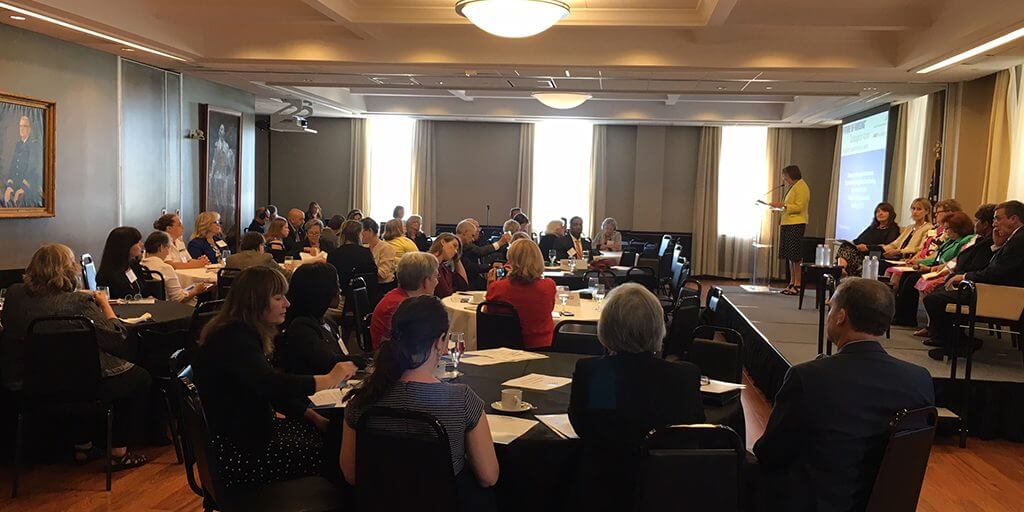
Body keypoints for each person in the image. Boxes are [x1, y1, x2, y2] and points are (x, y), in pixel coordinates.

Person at [754, 278, 934, 512]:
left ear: (841, 317)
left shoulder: (808, 377)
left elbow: (770, 453)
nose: (829, 315)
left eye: (830, 309)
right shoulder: (919, 379)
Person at [194, 266, 356, 488]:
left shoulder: (235, 331)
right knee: (335, 452)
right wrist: (327, 380)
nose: (287, 304)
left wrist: (312, 417)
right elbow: (270, 384)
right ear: (255, 302)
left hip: (244, 437)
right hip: (241, 455)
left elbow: (263, 387)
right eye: (279, 297)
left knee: (331, 435)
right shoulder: (235, 339)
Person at [0, 244, 150, 470]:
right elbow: (116, 337)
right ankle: (117, 452)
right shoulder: (79, 303)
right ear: (68, 270)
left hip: (30, 379)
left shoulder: (14, 294)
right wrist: (104, 304)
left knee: (72, 381)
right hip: (81, 381)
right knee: (139, 378)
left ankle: (84, 444)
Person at [341, 296, 499, 500]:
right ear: (440, 342)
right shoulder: (462, 400)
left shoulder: (362, 399)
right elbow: (489, 476)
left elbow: (351, 475)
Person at [568, 283, 704, 512]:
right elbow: (694, 430)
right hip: (670, 490)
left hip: (603, 490)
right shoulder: (685, 375)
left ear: (606, 328)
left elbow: (583, 426)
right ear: (659, 327)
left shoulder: (594, 372)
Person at [924, 200, 1024, 360]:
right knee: (939, 293)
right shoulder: (1015, 238)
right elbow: (997, 268)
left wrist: (964, 276)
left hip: (1001, 294)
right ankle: (956, 340)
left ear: (1013, 219)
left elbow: (994, 273)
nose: (995, 223)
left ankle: (959, 344)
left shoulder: (1019, 240)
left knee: (934, 300)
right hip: (996, 289)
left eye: (998, 219)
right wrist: (997, 246)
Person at [275, 262, 365, 375]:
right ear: (322, 290)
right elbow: (329, 362)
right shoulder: (301, 328)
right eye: (336, 285)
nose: (340, 290)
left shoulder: (327, 321)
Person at [892, 211, 975, 328]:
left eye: (948, 228)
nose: (946, 232)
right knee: (907, 275)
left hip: (946, 271)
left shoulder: (965, 241)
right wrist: (918, 262)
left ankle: (914, 320)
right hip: (936, 267)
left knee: (913, 279)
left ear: (958, 228)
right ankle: (903, 316)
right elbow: (936, 258)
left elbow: (953, 262)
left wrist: (929, 268)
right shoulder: (950, 241)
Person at [485, 239, 556, 349]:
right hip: (541, 345)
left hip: (505, 345)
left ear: (511, 261)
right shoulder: (549, 286)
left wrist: (490, 287)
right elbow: (549, 309)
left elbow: (488, 316)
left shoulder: (498, 287)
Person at [369, 252, 439, 349]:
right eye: (435, 277)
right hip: (390, 361)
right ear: (425, 281)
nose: (437, 282)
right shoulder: (401, 308)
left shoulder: (398, 297)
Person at [141, 231, 210, 304]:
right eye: (168, 248)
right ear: (161, 248)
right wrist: (196, 290)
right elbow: (179, 299)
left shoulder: (141, 266)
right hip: (170, 307)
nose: (168, 253)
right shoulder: (166, 268)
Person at [771, 165, 810, 295]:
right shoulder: (793, 187)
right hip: (788, 223)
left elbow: (799, 207)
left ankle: (798, 284)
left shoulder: (802, 186)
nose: (784, 178)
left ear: (791, 175)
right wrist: (779, 207)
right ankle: (792, 282)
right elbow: (788, 206)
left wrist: (783, 205)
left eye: (785, 176)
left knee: (795, 256)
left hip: (796, 224)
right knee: (789, 255)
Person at [836, 202, 901, 276]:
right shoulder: (872, 228)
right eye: (878, 211)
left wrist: (867, 248)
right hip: (862, 255)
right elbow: (858, 240)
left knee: (848, 252)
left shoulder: (893, 229)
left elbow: (887, 246)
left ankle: (841, 271)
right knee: (845, 245)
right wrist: (851, 243)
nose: (880, 213)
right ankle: (841, 269)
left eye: (884, 211)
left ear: (891, 214)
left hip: (874, 257)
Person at [328, 220, 379, 299]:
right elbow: (373, 276)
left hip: (342, 296)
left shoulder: (334, 254)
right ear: (359, 234)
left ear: (343, 235)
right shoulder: (366, 252)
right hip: (363, 297)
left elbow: (331, 281)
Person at [457, 219, 510, 290]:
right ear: (465, 232)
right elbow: (480, 252)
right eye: (476, 228)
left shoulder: (473, 242)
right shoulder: (464, 244)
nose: (478, 230)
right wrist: (500, 243)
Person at [97, 226, 145, 299]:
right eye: (137, 242)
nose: (141, 244)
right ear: (126, 246)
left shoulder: (133, 266)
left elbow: (142, 290)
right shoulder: (106, 275)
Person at [429, 233, 469, 298]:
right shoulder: (428, 264)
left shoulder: (444, 268)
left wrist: (457, 259)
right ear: (443, 242)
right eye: (454, 245)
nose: (456, 252)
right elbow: (445, 294)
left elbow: (463, 285)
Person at [361, 217, 397, 287]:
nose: (359, 235)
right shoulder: (363, 247)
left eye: (361, 231)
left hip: (383, 287)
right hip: (368, 284)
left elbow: (383, 273)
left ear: (370, 231)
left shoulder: (386, 248)